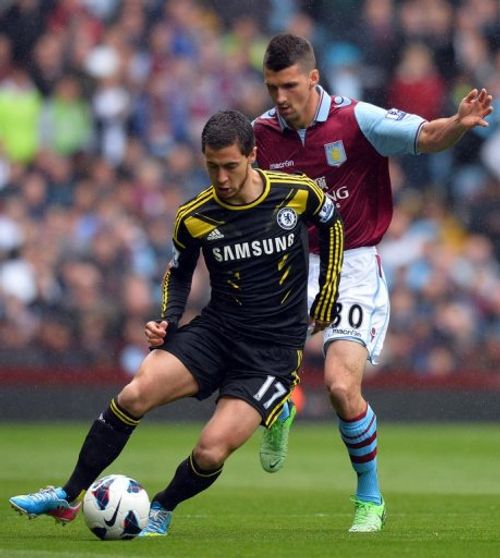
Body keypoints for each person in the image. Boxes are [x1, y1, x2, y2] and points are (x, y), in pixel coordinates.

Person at [9, 109, 344, 537]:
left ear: (253, 155)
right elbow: (178, 272)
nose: (221, 178)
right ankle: (67, 495)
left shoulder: (295, 193)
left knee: (210, 450)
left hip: (271, 352)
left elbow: (332, 222)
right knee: (135, 393)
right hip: (216, 331)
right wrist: (167, 321)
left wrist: (329, 290)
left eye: (230, 166)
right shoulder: (194, 216)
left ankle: (163, 507)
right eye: (212, 166)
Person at [253, 33, 494, 533]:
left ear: (313, 79)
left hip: (355, 265)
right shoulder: (261, 133)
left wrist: (459, 123)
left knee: (342, 387)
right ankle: (278, 408)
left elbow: (425, 136)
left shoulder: (355, 119)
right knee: (251, 368)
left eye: (290, 85)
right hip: (293, 266)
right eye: (272, 86)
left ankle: (370, 496)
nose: (280, 97)